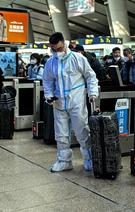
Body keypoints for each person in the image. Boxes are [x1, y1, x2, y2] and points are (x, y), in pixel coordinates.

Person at [43, 32, 99, 172]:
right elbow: (48, 81)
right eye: (53, 50)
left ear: (64, 43)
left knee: (82, 132)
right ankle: (64, 160)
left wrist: (92, 93)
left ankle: (89, 159)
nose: (57, 52)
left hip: (76, 102)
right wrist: (49, 96)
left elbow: (90, 76)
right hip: (59, 103)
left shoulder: (77, 58)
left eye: (59, 49)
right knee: (61, 134)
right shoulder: (51, 62)